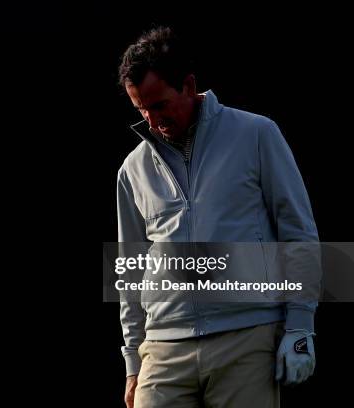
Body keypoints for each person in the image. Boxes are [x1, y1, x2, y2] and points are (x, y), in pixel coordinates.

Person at [116, 26, 318, 408]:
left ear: (189, 85)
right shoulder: (132, 169)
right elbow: (129, 268)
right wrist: (131, 362)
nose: (151, 119)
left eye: (159, 104)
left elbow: (298, 233)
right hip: (162, 348)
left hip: (247, 338)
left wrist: (300, 327)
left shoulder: (257, 135)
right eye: (140, 108)